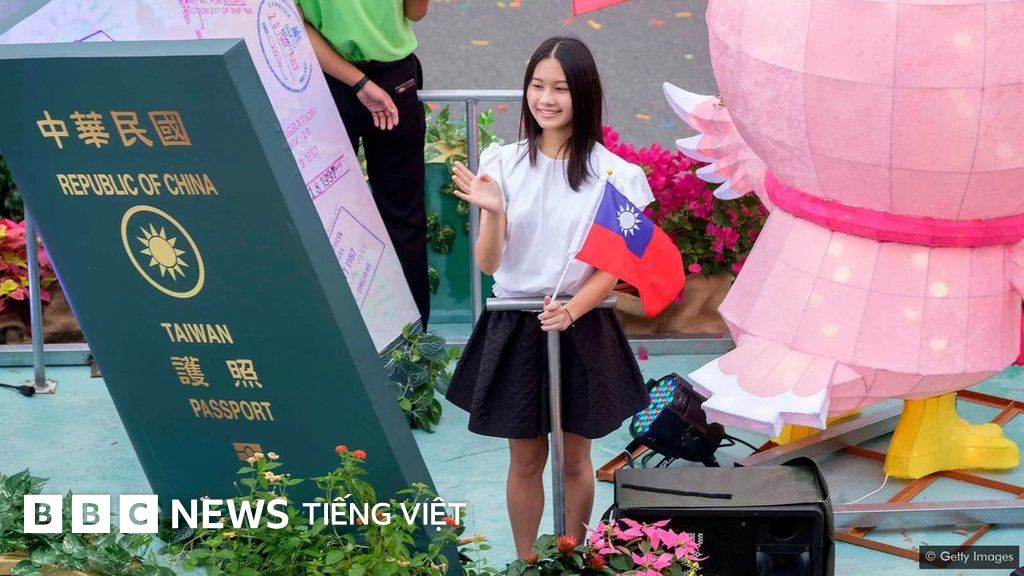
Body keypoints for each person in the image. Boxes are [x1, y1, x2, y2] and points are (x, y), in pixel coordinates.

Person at [444, 36, 653, 558]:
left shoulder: (615, 174)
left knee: (575, 459)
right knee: (524, 460)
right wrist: (493, 211)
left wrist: (574, 309)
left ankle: (571, 557)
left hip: (581, 322)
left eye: (560, 88)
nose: (546, 99)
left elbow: (613, 267)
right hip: (517, 322)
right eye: (537, 86)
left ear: (584, 93)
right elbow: (489, 263)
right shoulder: (503, 163)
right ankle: (526, 562)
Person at [295, 0, 432, 328]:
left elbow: (294, 26)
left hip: (325, 80)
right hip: (393, 80)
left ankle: (331, 336)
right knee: (403, 218)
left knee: (322, 215)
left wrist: (357, 82)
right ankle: (412, 344)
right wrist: (363, 83)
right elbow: (415, 12)